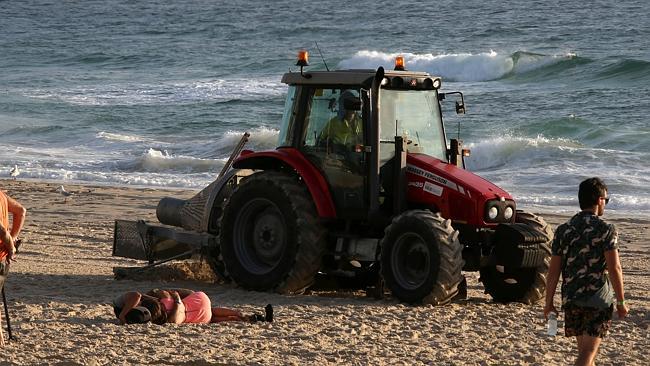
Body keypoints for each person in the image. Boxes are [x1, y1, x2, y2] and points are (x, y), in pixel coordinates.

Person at [544, 177, 628, 366]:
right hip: (597, 299)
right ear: (599, 200)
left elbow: (553, 271)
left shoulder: (564, 230)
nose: (605, 204)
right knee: (588, 352)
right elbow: (614, 268)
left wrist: (548, 303)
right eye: (606, 200)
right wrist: (621, 301)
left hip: (572, 298)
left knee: (585, 352)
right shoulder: (605, 229)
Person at [113, 288, 272, 325]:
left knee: (212, 317)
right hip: (198, 301)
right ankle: (241, 314)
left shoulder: (163, 317)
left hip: (198, 318)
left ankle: (241, 319)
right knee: (212, 309)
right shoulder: (165, 300)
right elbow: (170, 292)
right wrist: (177, 297)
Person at [0, 189, 26, 346]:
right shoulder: (1, 195)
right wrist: (14, 239)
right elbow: (21, 211)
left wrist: (11, 246)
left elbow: (2, 230)